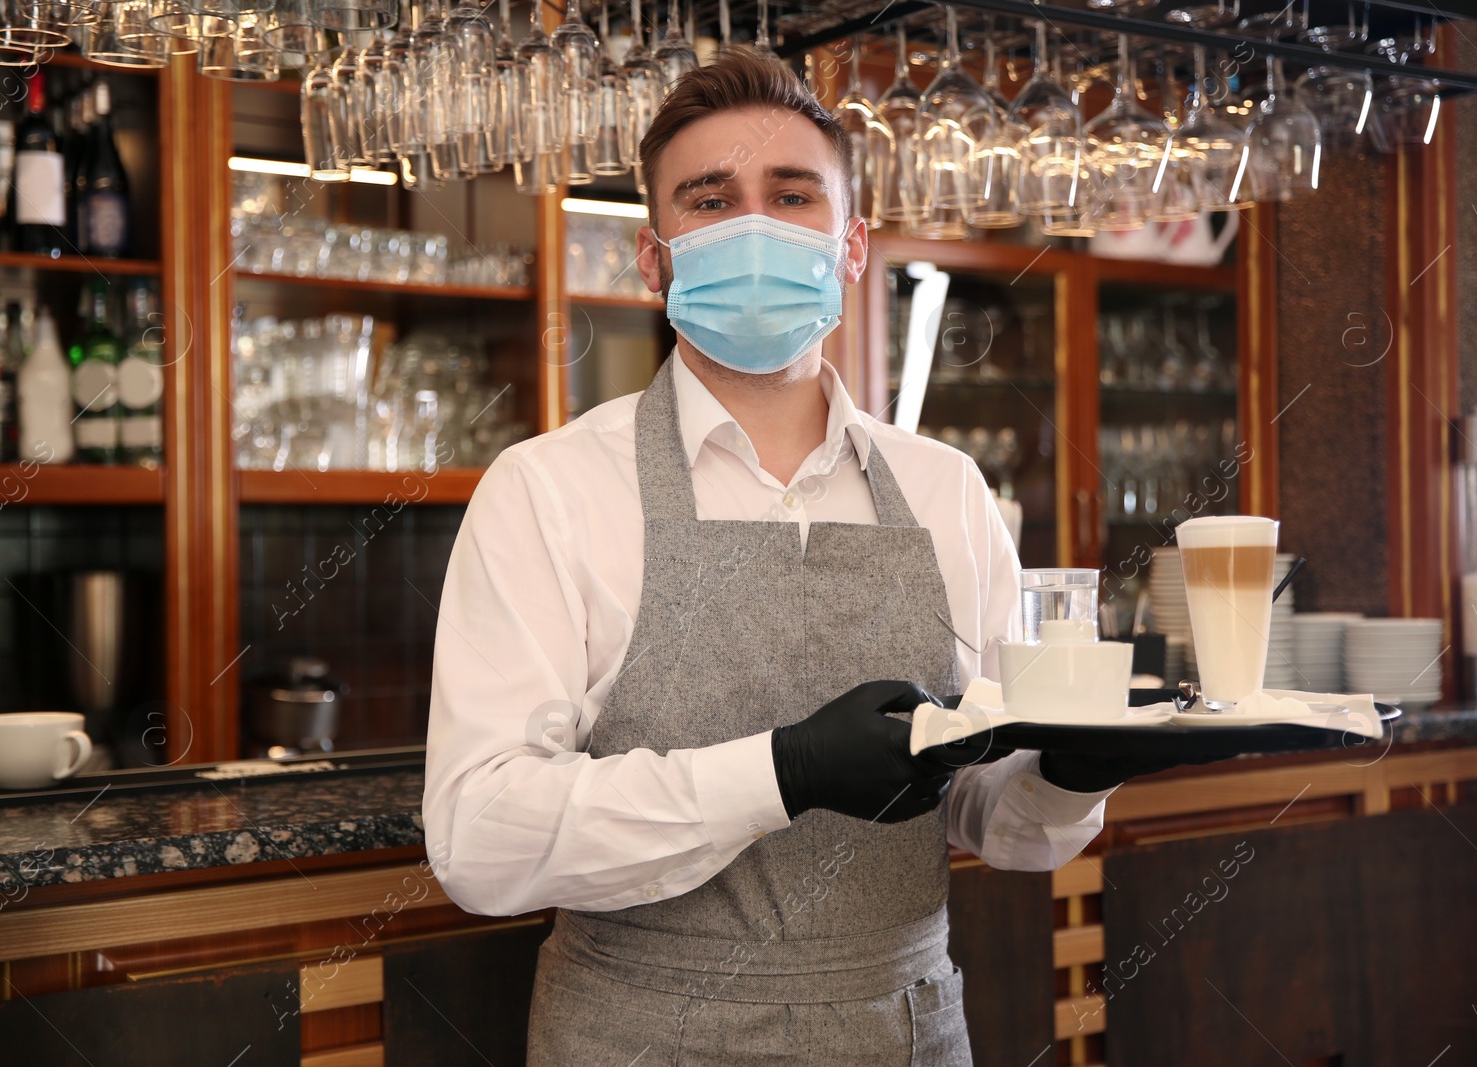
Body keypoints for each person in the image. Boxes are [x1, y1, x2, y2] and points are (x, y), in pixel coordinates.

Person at [424, 48, 1168, 1066]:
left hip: (900, 1030)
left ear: (852, 245)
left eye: (790, 196)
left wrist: (1073, 774)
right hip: (639, 1034)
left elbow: (996, 816)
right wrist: (782, 771)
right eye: (710, 201)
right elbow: (480, 837)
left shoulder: (948, 491)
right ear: (654, 259)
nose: (755, 228)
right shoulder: (549, 489)